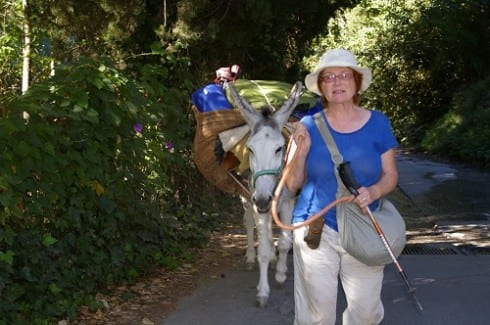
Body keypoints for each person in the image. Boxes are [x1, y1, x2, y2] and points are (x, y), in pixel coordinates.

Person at [285, 48, 399, 325]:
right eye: (329, 77)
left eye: (344, 75)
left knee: (366, 313)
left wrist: (374, 191)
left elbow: (390, 175)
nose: (337, 82)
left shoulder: (378, 123)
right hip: (316, 228)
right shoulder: (307, 125)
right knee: (317, 315)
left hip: (363, 227)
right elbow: (291, 184)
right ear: (321, 87)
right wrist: (300, 151)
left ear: (356, 82)